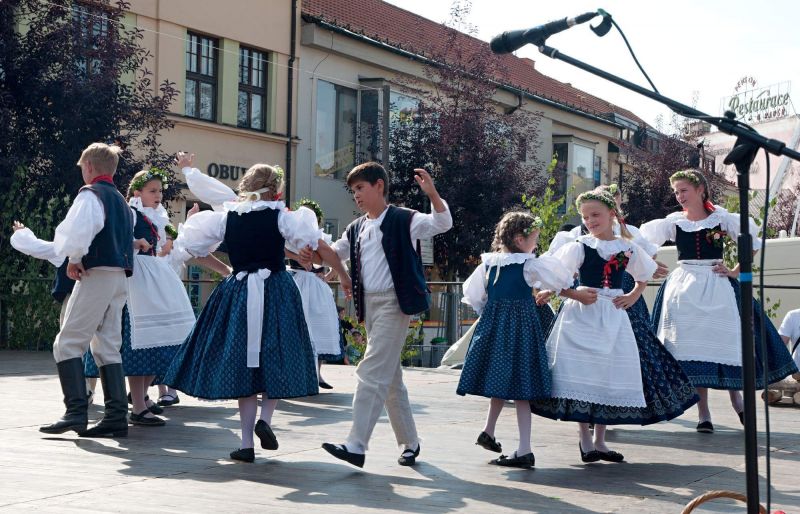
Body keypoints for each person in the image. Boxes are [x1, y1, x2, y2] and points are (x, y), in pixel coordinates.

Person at [163, 163, 352, 463]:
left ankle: (246, 444)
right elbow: (319, 248)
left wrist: (226, 269)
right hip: (276, 289)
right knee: (276, 353)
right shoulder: (282, 217)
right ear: (276, 190)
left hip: (238, 291)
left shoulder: (226, 217)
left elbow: (193, 249)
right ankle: (266, 418)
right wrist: (342, 274)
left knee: (244, 362)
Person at [531, 188, 698, 463]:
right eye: (585, 217)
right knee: (582, 372)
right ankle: (585, 439)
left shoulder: (626, 247)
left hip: (612, 314)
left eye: (595, 215)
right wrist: (572, 294)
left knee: (606, 374)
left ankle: (600, 440)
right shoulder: (579, 246)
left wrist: (633, 295)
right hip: (581, 315)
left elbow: (643, 274)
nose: (590, 221)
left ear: (612, 214)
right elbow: (557, 278)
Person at [641, 169, 798, 433]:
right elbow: (642, 244)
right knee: (693, 351)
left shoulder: (721, 218)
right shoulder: (674, 222)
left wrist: (735, 271)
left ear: (700, 189)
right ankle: (704, 413)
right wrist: (651, 264)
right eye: (676, 192)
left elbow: (752, 244)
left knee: (725, 343)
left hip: (716, 283)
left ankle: (738, 403)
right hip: (684, 287)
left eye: (684, 190)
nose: (679, 196)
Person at [319, 162, 453, 468]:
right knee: (390, 379)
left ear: (379, 185)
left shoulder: (405, 218)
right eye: (353, 191)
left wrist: (432, 194)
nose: (356, 195)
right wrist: (309, 252)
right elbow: (333, 253)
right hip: (369, 305)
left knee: (371, 370)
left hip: (395, 303)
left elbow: (442, 222)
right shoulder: (356, 227)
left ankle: (356, 444)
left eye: (360, 188)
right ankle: (410, 442)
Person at [458, 211, 572, 469]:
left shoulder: (488, 265)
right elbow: (561, 279)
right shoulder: (528, 265)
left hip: (494, 328)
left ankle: (489, 431)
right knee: (522, 387)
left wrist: (491, 313)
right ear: (520, 240)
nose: (537, 244)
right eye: (535, 238)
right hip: (521, 330)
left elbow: (474, 296)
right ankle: (524, 448)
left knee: (501, 378)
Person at [39, 142, 134, 438]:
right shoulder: (121, 201)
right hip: (119, 276)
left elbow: (77, 232)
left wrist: (74, 257)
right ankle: (116, 417)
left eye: (83, 168)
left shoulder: (91, 195)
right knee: (107, 345)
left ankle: (76, 413)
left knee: (67, 342)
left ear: (89, 166)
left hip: (96, 273)